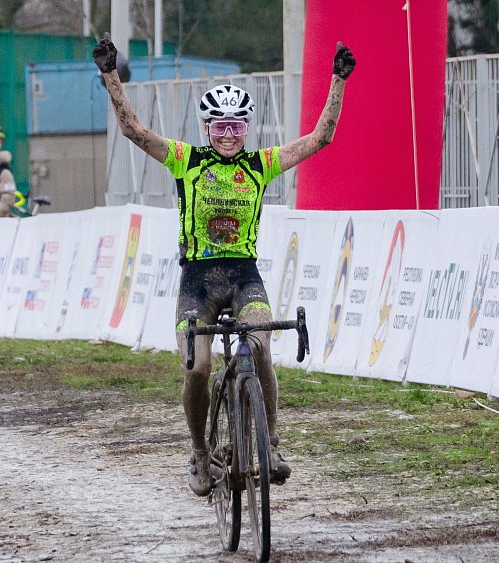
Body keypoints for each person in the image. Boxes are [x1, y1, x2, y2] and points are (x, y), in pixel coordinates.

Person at [94, 35, 356, 496]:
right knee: (197, 367)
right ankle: (199, 452)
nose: (229, 134)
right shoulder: (185, 161)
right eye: (220, 127)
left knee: (259, 346)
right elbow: (134, 130)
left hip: (243, 278)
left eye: (237, 126)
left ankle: (270, 445)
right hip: (197, 281)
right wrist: (111, 77)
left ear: (248, 128)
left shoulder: (260, 165)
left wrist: (338, 81)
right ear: (207, 129)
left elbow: (322, 138)